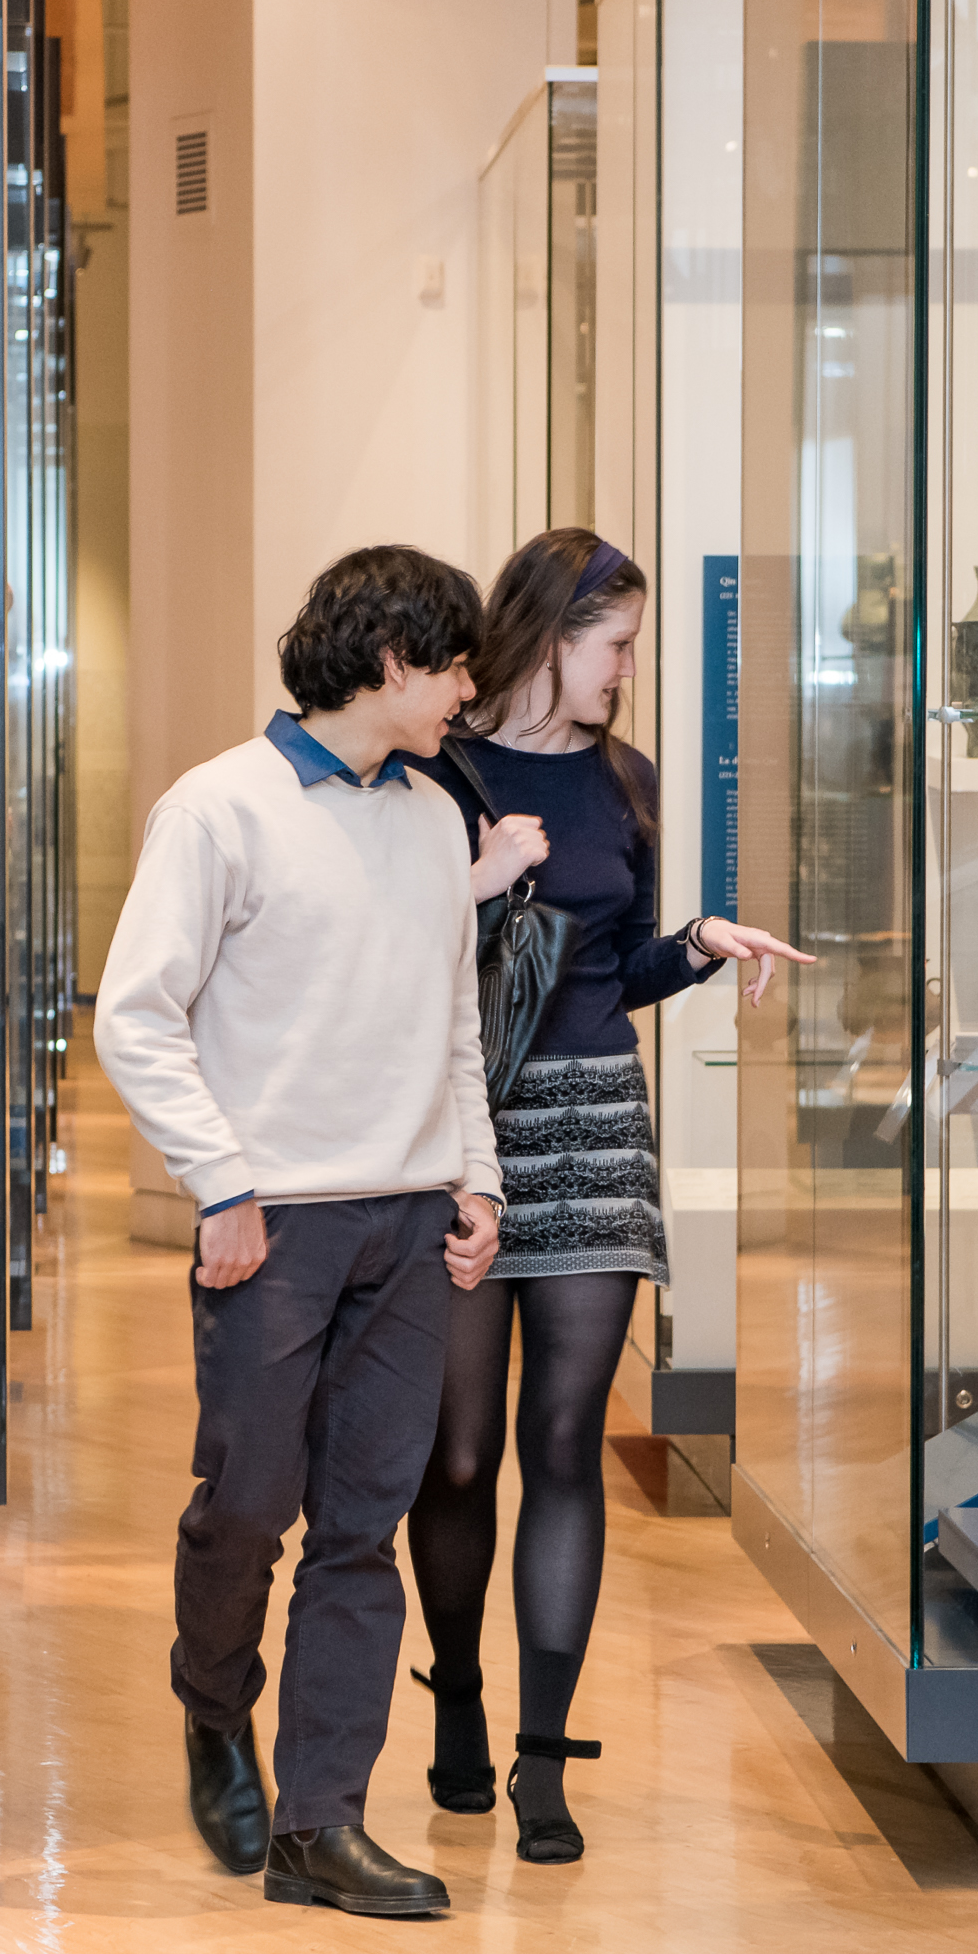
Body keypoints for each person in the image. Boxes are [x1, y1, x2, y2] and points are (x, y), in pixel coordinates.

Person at [94, 545, 507, 1919]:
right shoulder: (219, 810)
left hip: (405, 1223)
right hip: (271, 1229)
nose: (467, 691)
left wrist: (478, 1179)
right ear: (387, 659)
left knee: (361, 1530)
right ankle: (213, 1706)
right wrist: (218, 1182)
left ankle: (320, 1823)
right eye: (454, 664)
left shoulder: (438, 819)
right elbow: (136, 1015)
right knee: (250, 1508)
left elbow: (454, 1021)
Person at [406, 528, 812, 1864]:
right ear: (548, 634)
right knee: (457, 1451)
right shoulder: (438, 771)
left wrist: (694, 945)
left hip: (595, 1123)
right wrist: (481, 878)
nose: (627, 670)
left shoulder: (624, 779)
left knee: (565, 1442)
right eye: (614, 643)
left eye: (631, 645)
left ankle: (541, 1759)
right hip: (466, 1135)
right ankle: (456, 1701)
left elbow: (610, 972)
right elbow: (391, 957)